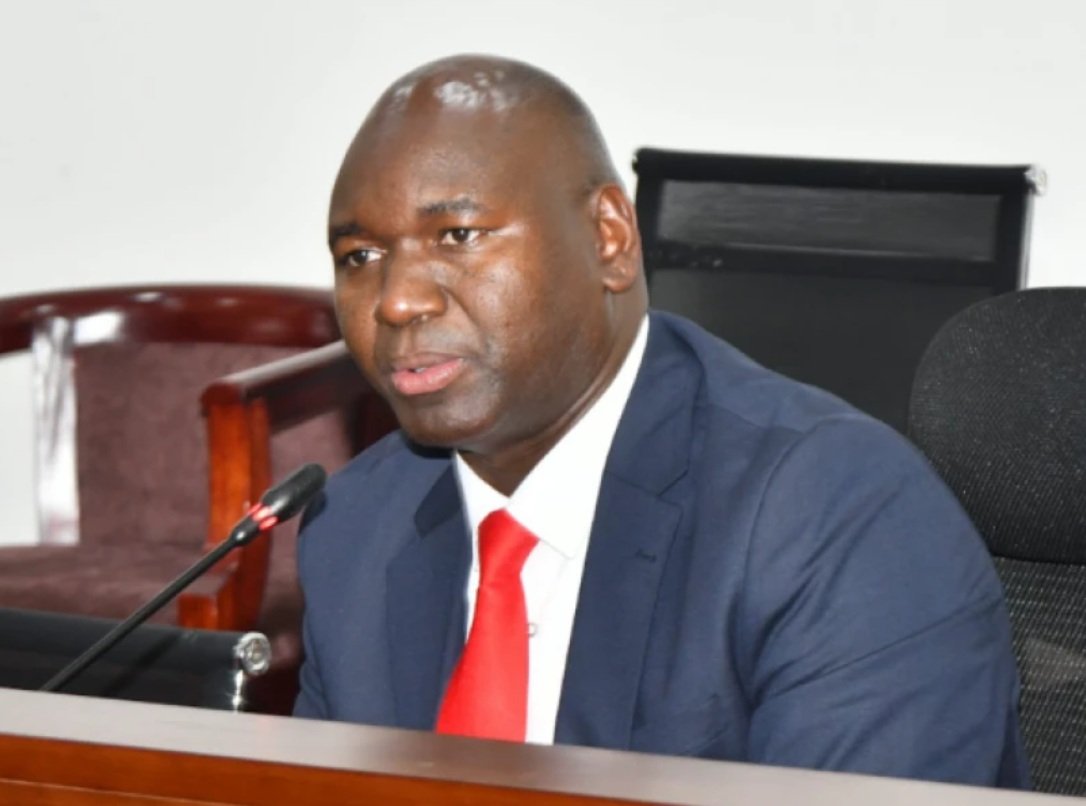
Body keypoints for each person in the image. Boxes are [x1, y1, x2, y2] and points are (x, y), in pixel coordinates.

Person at [294, 53, 1029, 787]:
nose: (396, 300)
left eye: (457, 235)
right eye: (360, 255)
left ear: (609, 237)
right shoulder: (355, 528)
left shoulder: (839, 514)